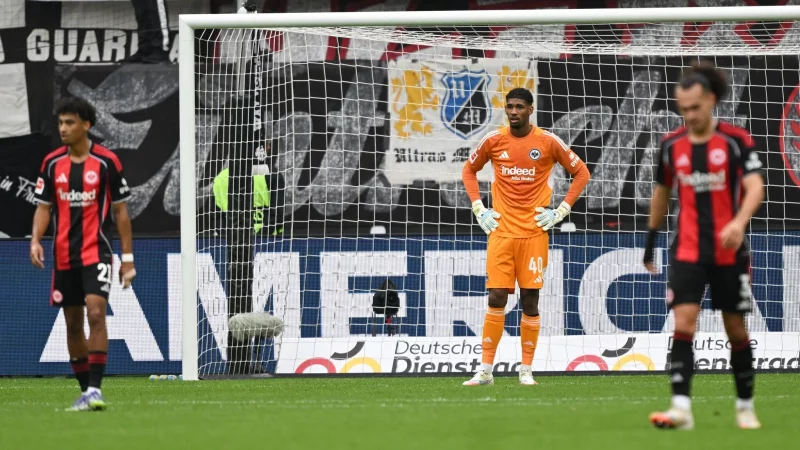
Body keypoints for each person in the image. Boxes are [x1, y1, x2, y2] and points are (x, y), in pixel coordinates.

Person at [644, 61, 765, 430]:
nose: (690, 115)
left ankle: (745, 406)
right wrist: (650, 243)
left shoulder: (735, 140)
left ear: (711, 100)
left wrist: (739, 222)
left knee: (736, 330)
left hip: (729, 251)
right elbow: (662, 193)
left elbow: (756, 187)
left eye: (696, 107)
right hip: (687, 250)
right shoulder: (670, 146)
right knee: (684, 322)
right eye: (683, 109)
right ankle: (681, 408)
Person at [461, 87, 591, 386]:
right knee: (496, 297)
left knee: (530, 300)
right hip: (501, 231)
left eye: (519, 106)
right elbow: (469, 171)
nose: (514, 111)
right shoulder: (493, 140)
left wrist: (561, 211)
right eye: (509, 106)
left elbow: (581, 172)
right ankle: (485, 370)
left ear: (530, 110)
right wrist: (479, 207)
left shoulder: (547, 141)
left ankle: (526, 369)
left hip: (534, 232)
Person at [30, 97, 135, 411]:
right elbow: (43, 208)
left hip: (97, 252)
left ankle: (95, 389)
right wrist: (35, 239)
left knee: (96, 314)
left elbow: (121, 213)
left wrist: (127, 260)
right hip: (63, 255)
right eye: (61, 122)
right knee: (73, 324)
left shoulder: (106, 162)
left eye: (70, 122)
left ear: (86, 125)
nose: (63, 129)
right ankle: (84, 392)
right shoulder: (51, 164)